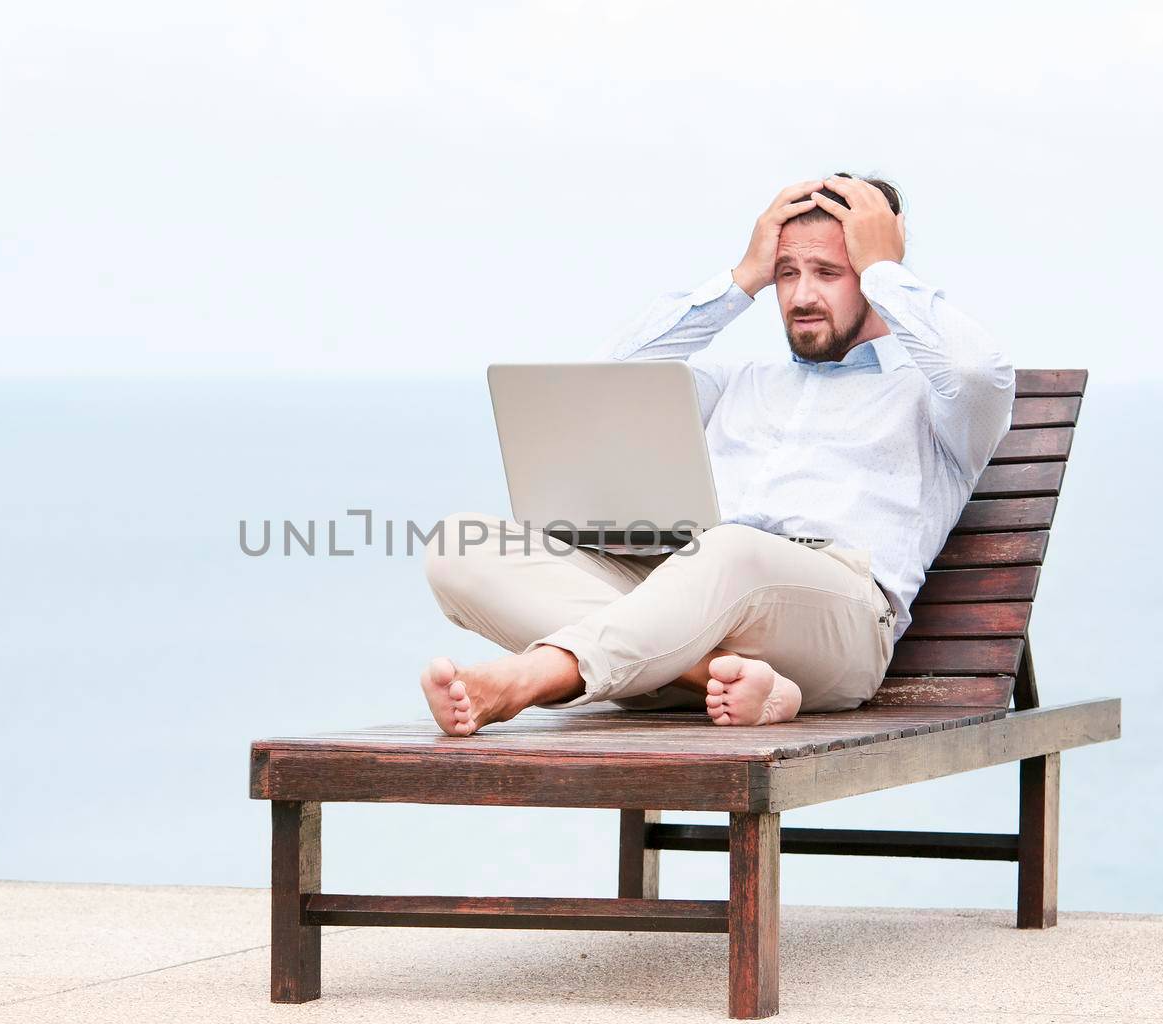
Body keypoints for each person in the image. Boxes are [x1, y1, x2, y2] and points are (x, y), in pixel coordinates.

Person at [420, 174, 1014, 737]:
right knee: (458, 545)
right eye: (787, 272)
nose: (802, 295)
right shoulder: (739, 382)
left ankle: (533, 676)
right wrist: (742, 279)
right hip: (690, 595)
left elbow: (976, 371)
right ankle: (713, 678)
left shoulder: (936, 401)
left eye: (830, 271)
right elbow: (608, 380)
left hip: (839, 621)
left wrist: (885, 267)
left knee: (732, 549)